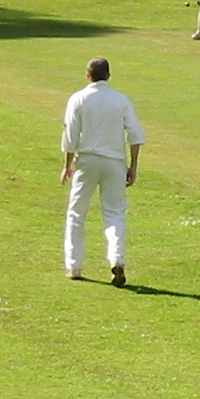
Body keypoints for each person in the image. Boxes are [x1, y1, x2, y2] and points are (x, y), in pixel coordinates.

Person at [60, 57, 145, 285]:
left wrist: (68, 164)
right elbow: (135, 134)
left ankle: (74, 266)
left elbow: (70, 136)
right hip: (114, 162)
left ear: (88, 76)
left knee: (76, 213)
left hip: (87, 161)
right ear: (108, 76)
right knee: (114, 213)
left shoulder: (78, 99)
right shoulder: (120, 100)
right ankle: (116, 259)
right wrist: (133, 165)